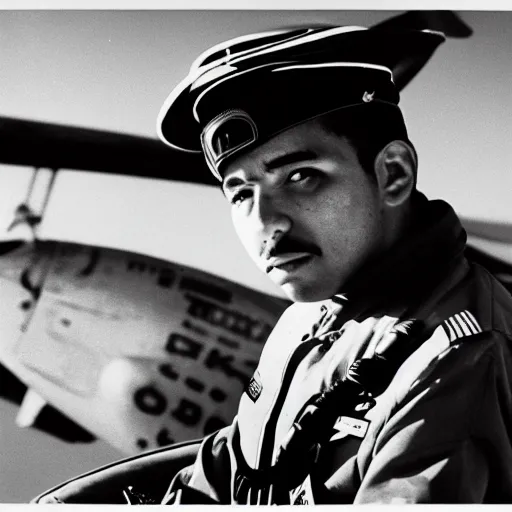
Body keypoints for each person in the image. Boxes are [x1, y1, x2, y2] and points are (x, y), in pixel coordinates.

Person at [154, 25, 512, 504]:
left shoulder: (457, 356)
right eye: (240, 193)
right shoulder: (306, 317)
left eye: (301, 177)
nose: (265, 223)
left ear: (393, 175)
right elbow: (230, 473)